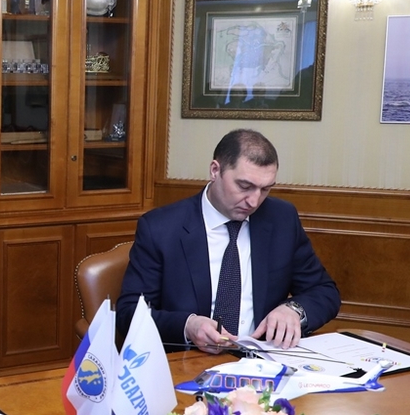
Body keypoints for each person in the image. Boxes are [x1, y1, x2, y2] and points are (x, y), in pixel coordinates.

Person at [116, 129, 340, 353]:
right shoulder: (161, 228)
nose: (254, 201)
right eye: (244, 186)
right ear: (215, 170)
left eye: (265, 189)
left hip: (263, 359)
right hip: (189, 361)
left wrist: (294, 310)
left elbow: (324, 291)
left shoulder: (282, 218)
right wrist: (188, 325)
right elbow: (129, 313)